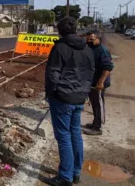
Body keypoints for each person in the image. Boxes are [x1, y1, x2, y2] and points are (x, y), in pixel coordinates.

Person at [45, 17, 95, 186]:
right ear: (75, 29)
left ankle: (65, 177)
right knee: (75, 134)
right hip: (79, 97)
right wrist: (84, 92)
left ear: (59, 30)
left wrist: (51, 93)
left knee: (64, 136)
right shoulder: (87, 48)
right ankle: (75, 173)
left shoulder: (60, 48)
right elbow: (90, 73)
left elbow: (53, 74)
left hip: (62, 98)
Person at [84, 30, 114, 136]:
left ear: (98, 39)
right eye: (87, 39)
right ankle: (95, 123)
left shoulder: (103, 50)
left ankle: (98, 128)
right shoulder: (91, 49)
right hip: (92, 82)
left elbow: (108, 67)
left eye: (91, 39)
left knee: (99, 104)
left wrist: (101, 82)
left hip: (99, 83)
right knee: (94, 103)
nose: (89, 41)